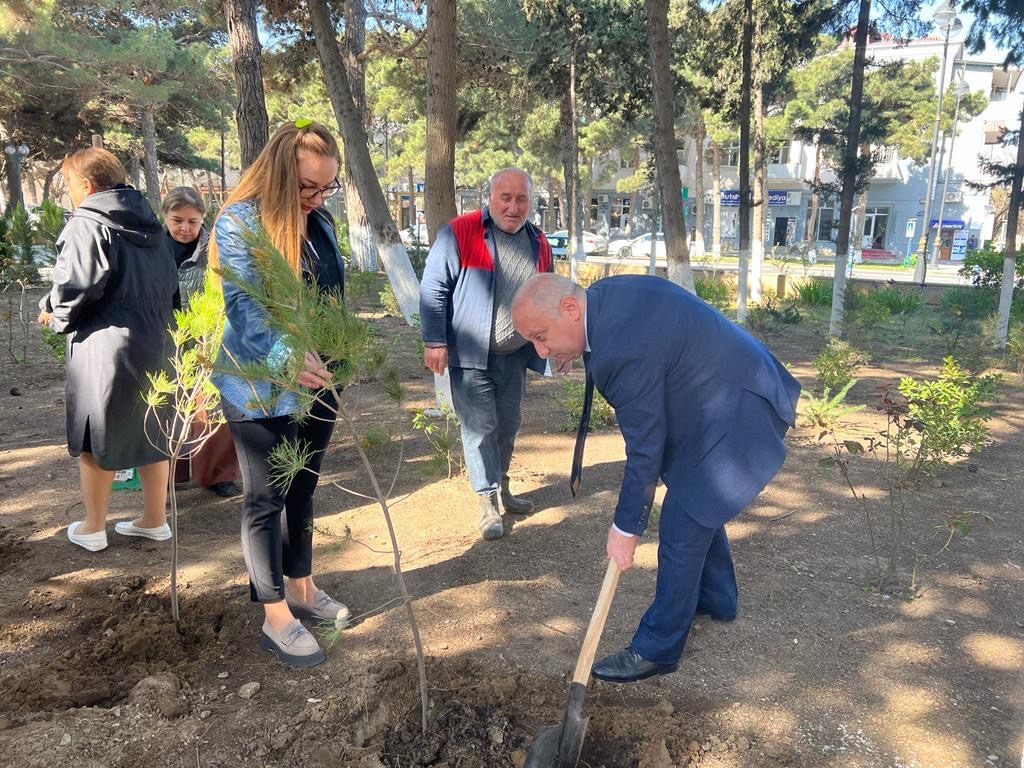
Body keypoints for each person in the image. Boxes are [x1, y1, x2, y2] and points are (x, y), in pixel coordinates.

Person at [511, 273, 801, 683]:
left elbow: (645, 448)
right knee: (697, 499)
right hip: (726, 391)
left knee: (682, 525)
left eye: (541, 336)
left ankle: (658, 648)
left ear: (570, 309)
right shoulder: (605, 299)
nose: (542, 351)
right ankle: (718, 599)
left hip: (739, 407)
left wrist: (626, 527)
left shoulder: (619, 349)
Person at [209, 120, 349, 669]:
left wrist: (339, 356)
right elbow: (244, 308)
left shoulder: (322, 223)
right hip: (261, 385)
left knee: (304, 488)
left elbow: (332, 297)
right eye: (307, 187)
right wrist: (287, 356)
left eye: (326, 187)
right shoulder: (240, 222)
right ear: (277, 175)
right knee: (265, 498)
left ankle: (302, 588)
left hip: (320, 379)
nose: (316, 198)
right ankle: (275, 615)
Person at [38, 148, 176, 552]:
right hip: (158, 339)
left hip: (105, 346)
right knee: (154, 425)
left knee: (93, 433)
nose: (70, 195)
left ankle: (94, 527)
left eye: (69, 187)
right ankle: (155, 520)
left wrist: (53, 311)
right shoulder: (153, 224)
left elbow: (77, 286)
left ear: (86, 185)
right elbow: (172, 288)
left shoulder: (89, 223)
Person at [419, 168, 553, 541]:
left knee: (508, 426)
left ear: (530, 202)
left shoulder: (539, 242)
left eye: (521, 199)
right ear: (490, 198)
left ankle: (503, 486)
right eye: (505, 198)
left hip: (514, 356)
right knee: (480, 430)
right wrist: (434, 341)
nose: (513, 207)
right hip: (470, 355)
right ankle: (487, 500)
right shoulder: (460, 232)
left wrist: (550, 342)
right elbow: (433, 289)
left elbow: (546, 297)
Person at [160, 187, 240, 498]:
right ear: (165, 216)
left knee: (211, 405)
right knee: (168, 406)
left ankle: (218, 473)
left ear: (202, 219)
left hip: (207, 335)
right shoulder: (151, 248)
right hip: (166, 336)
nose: (184, 228)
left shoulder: (215, 247)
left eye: (193, 221)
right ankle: (171, 473)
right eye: (177, 220)